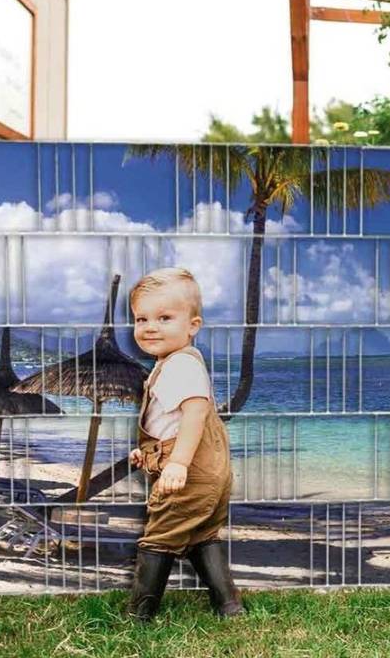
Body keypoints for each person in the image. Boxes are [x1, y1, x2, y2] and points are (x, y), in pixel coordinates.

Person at [126, 266, 245, 622]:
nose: (150, 327)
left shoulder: (179, 366)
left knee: (160, 536)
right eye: (141, 318)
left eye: (165, 317)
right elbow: (170, 423)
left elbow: (195, 414)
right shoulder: (178, 362)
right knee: (200, 535)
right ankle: (229, 605)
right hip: (209, 473)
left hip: (191, 473)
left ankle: (139, 615)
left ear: (193, 325)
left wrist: (176, 464)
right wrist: (148, 453)